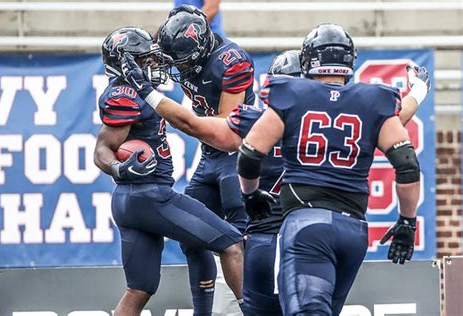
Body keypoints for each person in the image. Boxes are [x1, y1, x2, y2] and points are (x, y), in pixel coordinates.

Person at [119, 41, 430, 315]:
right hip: (334, 231)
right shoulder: (359, 116)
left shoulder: (262, 118)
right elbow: (395, 122)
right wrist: (419, 90)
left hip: (273, 241)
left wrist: (148, 92)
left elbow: (192, 124)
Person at [236, 24, 427, 315]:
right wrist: (407, 222)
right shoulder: (372, 102)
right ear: (350, 60)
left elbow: (249, 154)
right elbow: (408, 166)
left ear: (308, 60)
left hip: (306, 225)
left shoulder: (292, 95)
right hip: (354, 231)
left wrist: (250, 195)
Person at [93, 27, 244, 316]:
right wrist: (120, 168)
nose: (152, 65)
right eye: (143, 60)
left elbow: (102, 148)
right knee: (232, 244)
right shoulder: (125, 93)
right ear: (124, 63)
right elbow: (103, 149)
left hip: (127, 201)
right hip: (150, 196)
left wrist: (117, 169)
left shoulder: (130, 91)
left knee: (139, 289)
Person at [157, 5, 254, 315]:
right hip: (210, 155)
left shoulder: (232, 61)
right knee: (191, 235)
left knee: (240, 236)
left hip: (234, 154)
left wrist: (183, 119)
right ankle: (203, 311)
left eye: (183, 63)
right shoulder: (176, 45)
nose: (179, 70)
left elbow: (226, 129)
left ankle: (250, 309)